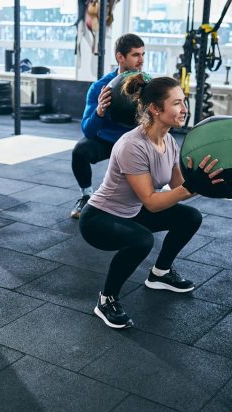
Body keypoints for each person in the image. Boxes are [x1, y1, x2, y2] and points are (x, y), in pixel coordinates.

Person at [78, 75, 223, 329]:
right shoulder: (131, 146)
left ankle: (161, 273)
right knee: (142, 240)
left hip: (132, 211)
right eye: (177, 103)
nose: (184, 109)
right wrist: (192, 186)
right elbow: (153, 203)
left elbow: (179, 188)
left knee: (190, 217)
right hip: (100, 218)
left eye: (183, 102)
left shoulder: (169, 141)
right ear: (155, 109)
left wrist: (206, 182)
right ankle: (106, 299)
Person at [70, 33, 146, 219]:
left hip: (134, 143)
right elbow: (87, 130)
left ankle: (145, 198)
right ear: (120, 57)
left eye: (143, 54)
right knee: (79, 151)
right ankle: (86, 195)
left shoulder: (147, 85)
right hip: (107, 140)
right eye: (136, 55)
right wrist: (100, 112)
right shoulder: (100, 87)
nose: (141, 60)